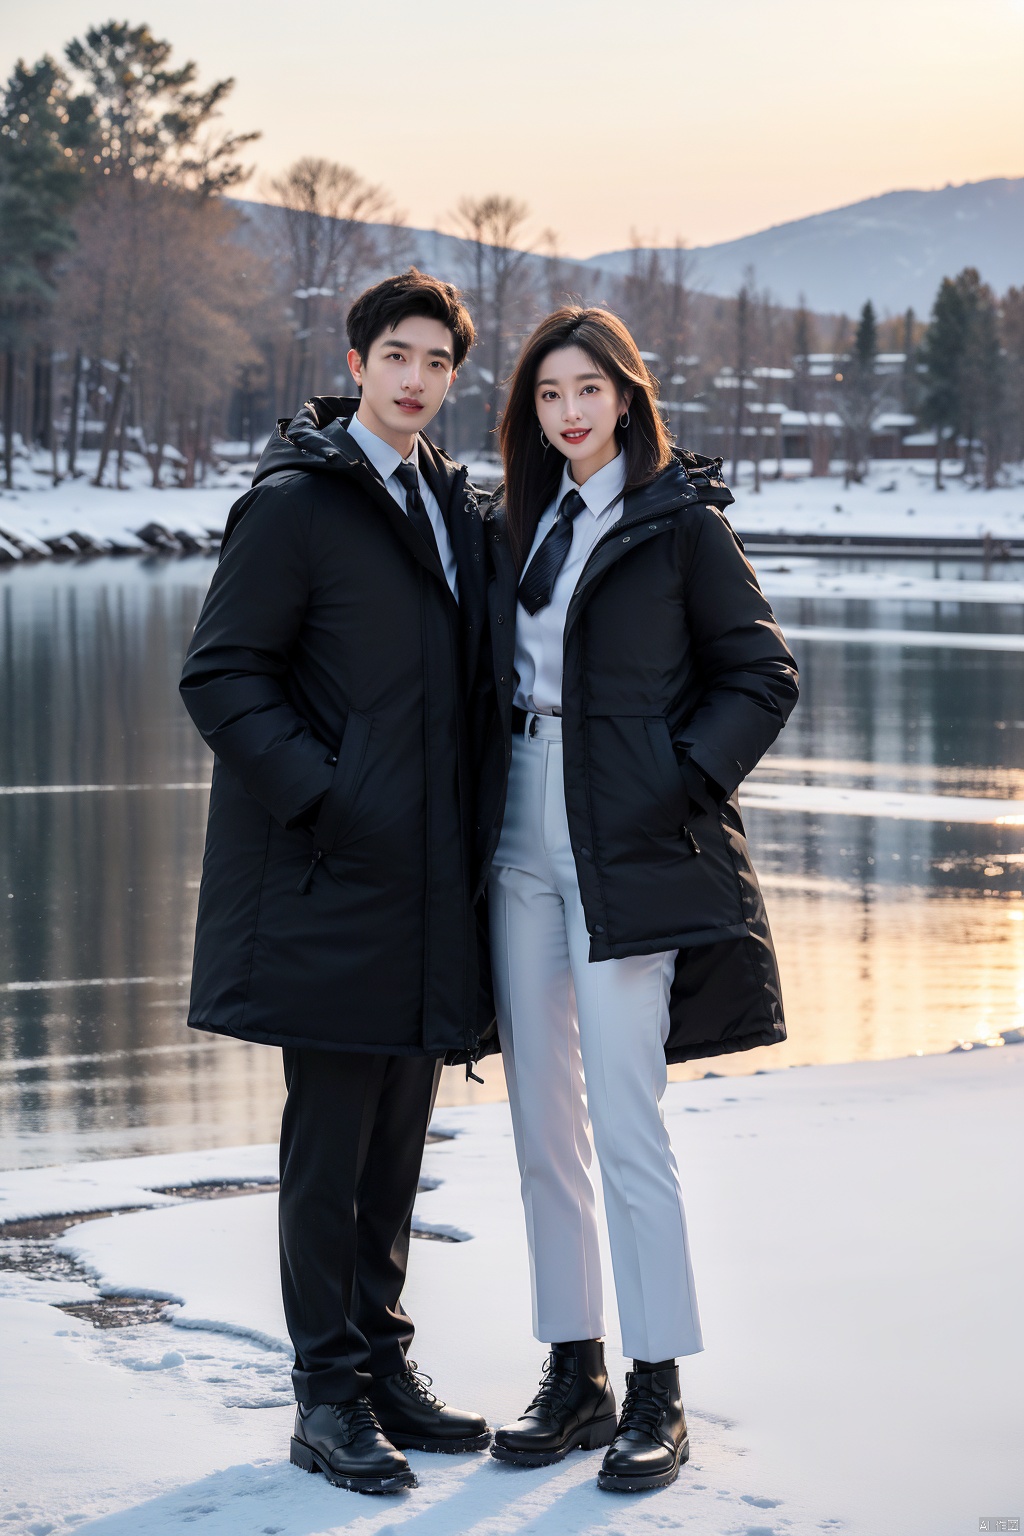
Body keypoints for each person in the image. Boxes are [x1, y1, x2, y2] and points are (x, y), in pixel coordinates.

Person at [179, 269, 495, 1495]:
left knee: (399, 1144)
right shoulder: (296, 506)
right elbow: (221, 678)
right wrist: (328, 795)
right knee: (330, 1145)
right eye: (397, 355)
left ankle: (383, 1362)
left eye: (437, 362)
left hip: (430, 883)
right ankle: (325, 1394)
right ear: (356, 359)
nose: (416, 378)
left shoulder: (455, 507)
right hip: (327, 875)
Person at [477, 307, 799, 1493]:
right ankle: (574, 1371)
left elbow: (762, 673)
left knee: (623, 1117)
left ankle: (658, 1382)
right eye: (548, 393)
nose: (568, 411)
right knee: (538, 1130)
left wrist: (675, 781)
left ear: (625, 396)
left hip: (628, 842)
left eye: (587, 389)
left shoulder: (676, 523)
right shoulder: (513, 519)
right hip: (517, 827)